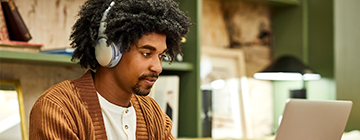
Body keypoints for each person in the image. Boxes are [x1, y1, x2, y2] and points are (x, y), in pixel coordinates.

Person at [29, 0, 191, 139]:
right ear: (110, 51)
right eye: (146, 53)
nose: (157, 67)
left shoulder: (152, 114)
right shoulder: (58, 109)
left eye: (161, 56)